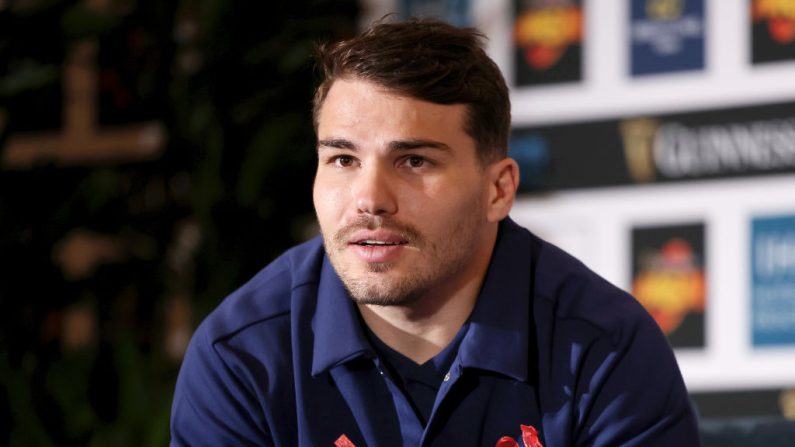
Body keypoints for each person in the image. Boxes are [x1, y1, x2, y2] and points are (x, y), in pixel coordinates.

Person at [170, 18, 701, 447]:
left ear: (498, 190)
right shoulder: (242, 355)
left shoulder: (604, 350)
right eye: (342, 159)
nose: (370, 198)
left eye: (415, 160)